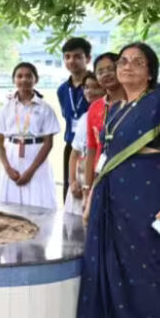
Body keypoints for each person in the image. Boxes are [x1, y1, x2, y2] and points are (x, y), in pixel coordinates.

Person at [75, 42, 160, 318]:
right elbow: (105, 159)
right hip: (112, 198)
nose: (127, 67)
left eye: (137, 62)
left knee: (151, 266)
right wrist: (91, 198)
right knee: (115, 267)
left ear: (150, 71)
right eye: (123, 62)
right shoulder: (115, 108)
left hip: (149, 195)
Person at [0, 63, 59, 209]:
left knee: (37, 201)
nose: (24, 79)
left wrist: (30, 172)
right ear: (14, 80)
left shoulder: (45, 108)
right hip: (12, 159)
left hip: (35, 160)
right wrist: (7, 168)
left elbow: (48, 143)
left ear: (36, 79)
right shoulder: (6, 108)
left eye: (29, 76)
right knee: (9, 206)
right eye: (19, 76)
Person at [81, 53, 123, 210]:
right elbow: (92, 148)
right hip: (100, 177)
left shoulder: (135, 104)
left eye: (111, 69)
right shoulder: (95, 107)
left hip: (126, 175)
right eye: (100, 71)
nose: (106, 74)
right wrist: (87, 188)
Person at [57, 37, 92, 201]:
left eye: (78, 56)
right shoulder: (62, 90)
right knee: (70, 188)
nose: (72, 61)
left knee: (90, 189)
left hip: (94, 146)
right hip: (72, 145)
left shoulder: (96, 86)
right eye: (67, 57)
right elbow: (67, 115)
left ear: (88, 59)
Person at [66, 73, 103, 215]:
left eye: (95, 87)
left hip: (97, 175)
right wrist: (72, 181)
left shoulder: (111, 115)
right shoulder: (84, 118)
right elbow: (74, 153)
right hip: (80, 175)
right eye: (86, 87)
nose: (90, 91)